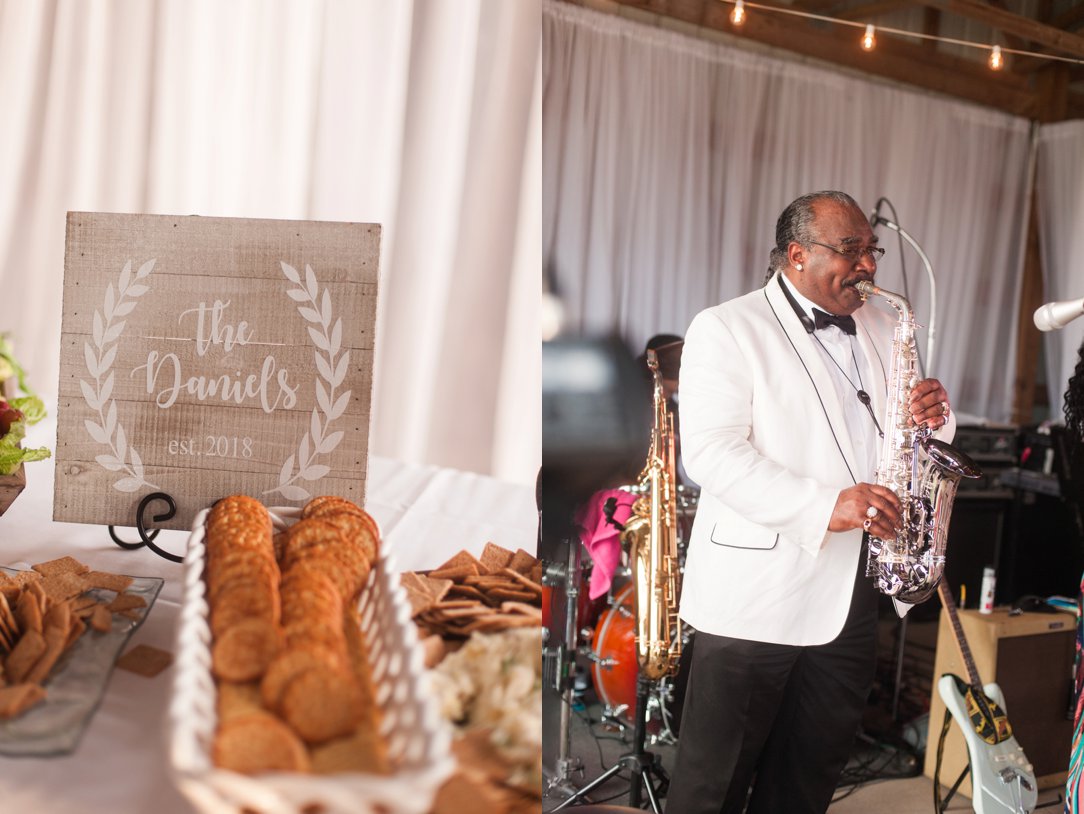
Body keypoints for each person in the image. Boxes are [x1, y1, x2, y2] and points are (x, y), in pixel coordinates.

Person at [665, 190, 956, 814]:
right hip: (753, 599)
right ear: (796, 255)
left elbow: (903, 441)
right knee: (712, 786)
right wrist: (827, 506)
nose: (868, 265)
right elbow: (711, 454)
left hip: (850, 598)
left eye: (872, 250)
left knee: (807, 780)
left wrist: (934, 419)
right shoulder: (726, 327)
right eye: (850, 249)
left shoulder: (886, 326)